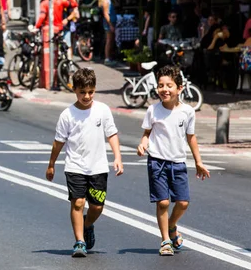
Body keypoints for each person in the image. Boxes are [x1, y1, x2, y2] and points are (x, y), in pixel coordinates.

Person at [46, 68, 123, 257]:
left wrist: (118, 157)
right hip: (75, 166)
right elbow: (58, 142)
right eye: (82, 92)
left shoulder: (102, 110)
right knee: (78, 202)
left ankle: (87, 224)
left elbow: (111, 133)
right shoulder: (67, 114)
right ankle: (79, 242)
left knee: (97, 206)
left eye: (90, 92)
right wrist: (51, 164)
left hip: (98, 167)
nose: (87, 96)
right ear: (75, 90)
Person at [137, 65, 210, 256]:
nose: (164, 89)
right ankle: (165, 241)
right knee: (162, 202)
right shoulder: (153, 110)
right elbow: (147, 133)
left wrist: (198, 161)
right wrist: (143, 143)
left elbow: (191, 137)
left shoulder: (187, 112)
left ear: (180, 88)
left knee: (183, 202)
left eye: (169, 85)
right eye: (161, 85)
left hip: (178, 162)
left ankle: (171, 226)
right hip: (157, 162)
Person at [99, 0, 117, 66]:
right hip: (109, 23)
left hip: (111, 22)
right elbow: (106, 14)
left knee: (111, 40)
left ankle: (109, 57)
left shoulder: (109, 0)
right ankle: (107, 58)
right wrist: (110, 24)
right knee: (109, 40)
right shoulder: (106, 1)